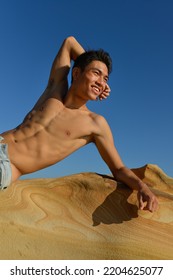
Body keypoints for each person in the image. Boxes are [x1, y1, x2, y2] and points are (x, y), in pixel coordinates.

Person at [0, 36, 158, 212]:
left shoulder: (95, 123)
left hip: (7, 167)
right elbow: (69, 42)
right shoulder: (55, 90)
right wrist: (87, 64)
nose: (102, 82)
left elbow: (119, 168)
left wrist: (141, 186)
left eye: (106, 79)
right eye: (97, 73)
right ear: (76, 73)